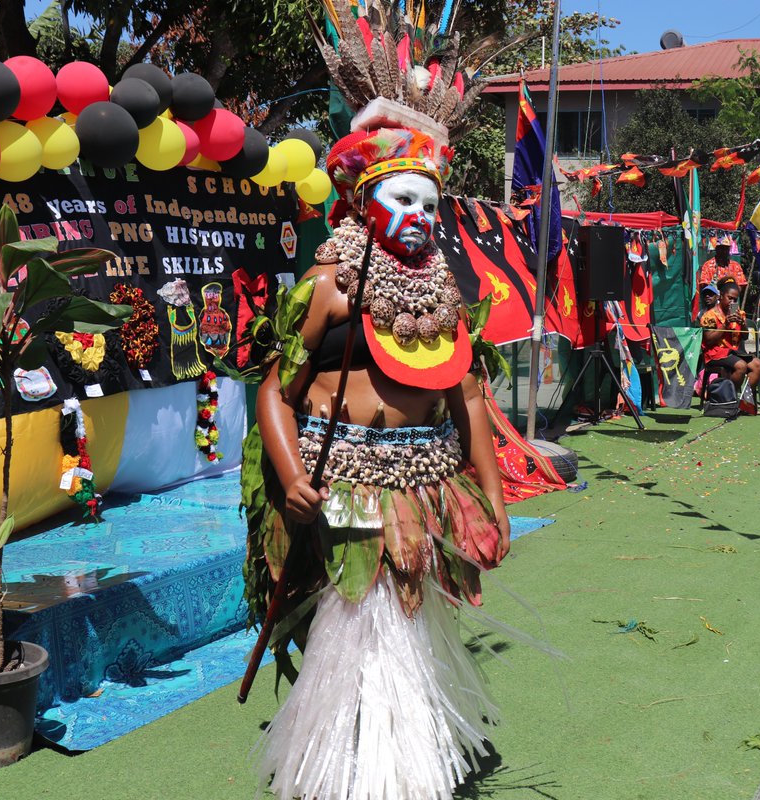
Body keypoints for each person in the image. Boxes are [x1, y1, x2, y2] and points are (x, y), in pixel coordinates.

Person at [244, 11, 513, 799]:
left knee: (410, 617)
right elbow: (275, 390)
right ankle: (358, 769)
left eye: (431, 200)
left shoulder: (445, 292)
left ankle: (404, 757)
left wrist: (492, 494)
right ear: (364, 199)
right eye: (403, 196)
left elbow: (467, 394)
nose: (422, 214)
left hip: (423, 486)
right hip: (347, 486)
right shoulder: (328, 287)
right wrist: (291, 473)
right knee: (361, 624)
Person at [700, 279, 760, 389]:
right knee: (741, 366)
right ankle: (731, 399)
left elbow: (745, 337)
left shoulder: (738, 313)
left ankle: (744, 401)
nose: (732, 302)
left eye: (735, 299)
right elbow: (709, 341)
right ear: (721, 296)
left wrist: (742, 324)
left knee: (758, 365)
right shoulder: (709, 316)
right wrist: (725, 324)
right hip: (715, 353)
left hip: (734, 352)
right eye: (730, 298)